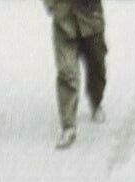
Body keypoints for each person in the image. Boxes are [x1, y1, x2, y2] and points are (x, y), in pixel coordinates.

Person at [43, 0, 107, 150]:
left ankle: (96, 101)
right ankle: (68, 126)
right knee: (66, 72)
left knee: (96, 64)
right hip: (63, 20)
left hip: (91, 18)